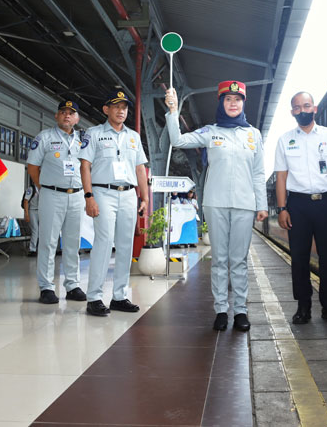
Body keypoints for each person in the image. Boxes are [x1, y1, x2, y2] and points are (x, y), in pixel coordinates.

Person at [164, 81, 268, 332]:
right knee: (220, 259)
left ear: (243, 103)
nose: (233, 104)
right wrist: (173, 111)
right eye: (228, 99)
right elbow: (177, 140)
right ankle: (221, 310)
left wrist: (261, 204)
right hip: (216, 202)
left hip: (244, 204)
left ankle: (241, 311)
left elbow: (258, 172)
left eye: (238, 99)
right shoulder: (210, 132)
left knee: (239, 260)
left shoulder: (253, 134)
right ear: (221, 103)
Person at [274, 91, 327, 325]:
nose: (302, 111)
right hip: (297, 205)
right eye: (297, 107)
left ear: (314, 108)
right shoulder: (285, 140)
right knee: (299, 258)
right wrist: (282, 208)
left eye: (306, 106)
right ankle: (303, 307)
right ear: (292, 112)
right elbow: (281, 177)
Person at [79, 89, 149, 317]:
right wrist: (89, 196)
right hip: (103, 192)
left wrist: (145, 197)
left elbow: (140, 168)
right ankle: (95, 297)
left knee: (126, 245)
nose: (122, 111)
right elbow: (85, 166)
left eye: (125, 107)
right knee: (104, 242)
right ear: (106, 109)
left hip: (129, 194)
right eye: (117, 106)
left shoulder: (133, 136)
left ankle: (119, 296)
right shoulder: (94, 133)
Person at [26, 100, 87, 304]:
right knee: (48, 242)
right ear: (56, 116)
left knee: (72, 243)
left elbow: (88, 168)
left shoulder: (83, 140)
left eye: (71, 113)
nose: (67, 116)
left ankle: (72, 285)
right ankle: (46, 287)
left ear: (77, 118)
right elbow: (33, 166)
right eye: (63, 112)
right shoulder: (44, 138)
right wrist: (44, 187)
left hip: (76, 195)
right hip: (52, 194)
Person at [22, 180, 39, 256]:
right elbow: (25, 201)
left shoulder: (43, 189)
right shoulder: (31, 189)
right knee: (35, 230)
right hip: (32, 211)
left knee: (42, 231)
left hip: (41, 211)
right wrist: (27, 214)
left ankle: (39, 249)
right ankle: (32, 249)